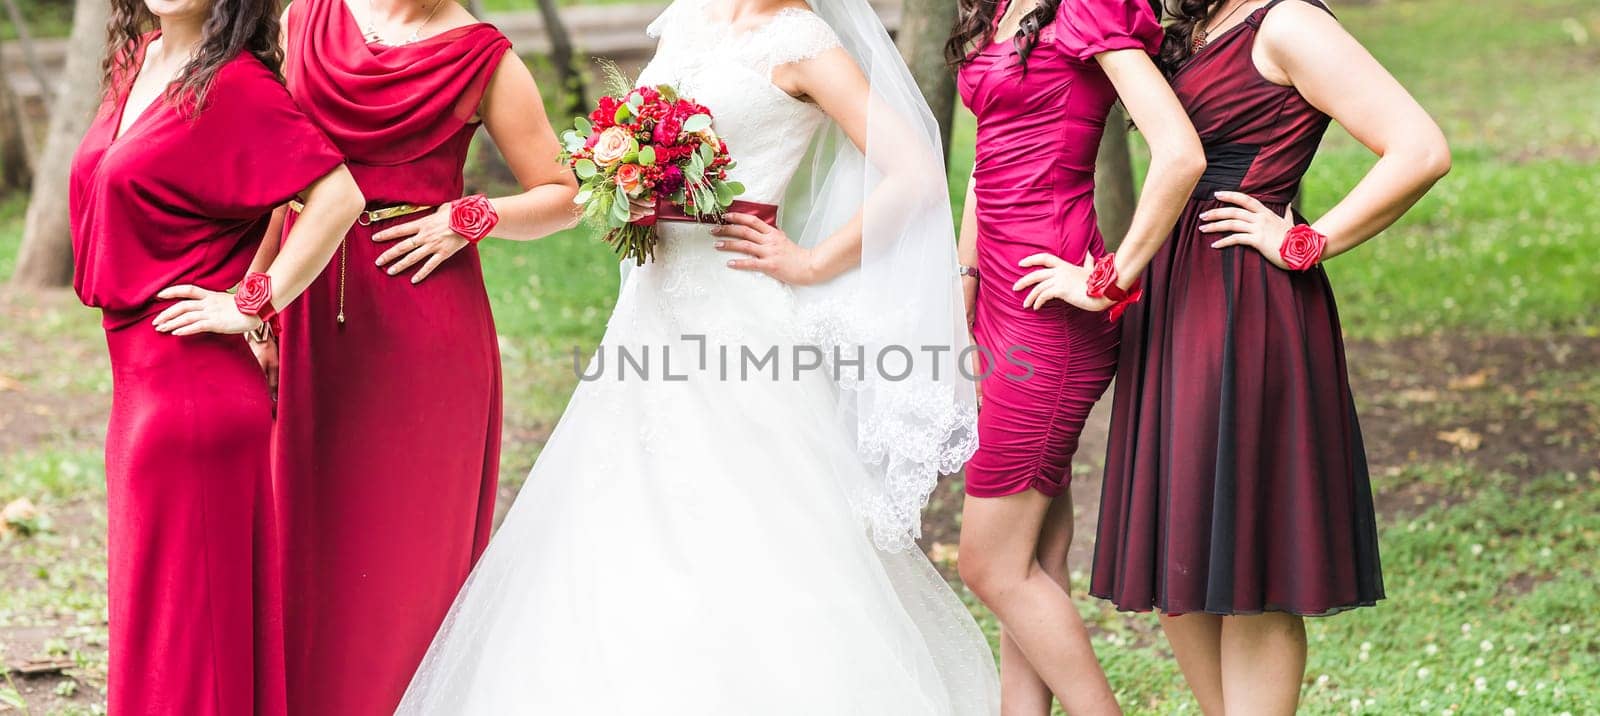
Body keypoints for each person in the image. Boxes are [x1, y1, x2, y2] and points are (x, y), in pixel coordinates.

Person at [395, 0, 1001, 712]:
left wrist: (810, 263)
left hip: (738, 310)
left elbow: (917, 173)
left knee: (753, 520)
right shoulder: (690, 19)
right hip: (651, 308)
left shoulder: (805, 42)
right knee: (613, 512)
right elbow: (634, 137)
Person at [1091, 1, 1450, 713]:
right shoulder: (1190, 25)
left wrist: (1305, 242)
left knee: (1246, 558)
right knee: (1182, 546)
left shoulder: (1286, 24)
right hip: (1171, 297)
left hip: (1243, 306)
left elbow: (1421, 147)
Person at [258, 0, 582, 712]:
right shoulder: (303, 16)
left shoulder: (484, 57)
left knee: (406, 550)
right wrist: (256, 301)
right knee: (297, 528)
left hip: (422, 317)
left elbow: (565, 193)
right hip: (303, 293)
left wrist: (471, 217)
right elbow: (263, 170)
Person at [68, 0, 362, 711]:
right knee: (162, 632)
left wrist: (253, 299)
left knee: (191, 644)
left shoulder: (234, 85)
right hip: (138, 394)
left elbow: (337, 196)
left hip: (192, 399)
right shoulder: (136, 60)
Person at [946, 0, 1204, 712]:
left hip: (1052, 320)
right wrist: (965, 282)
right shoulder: (1000, 10)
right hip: (1000, 302)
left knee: (989, 563)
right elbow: (985, 164)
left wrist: (1109, 277)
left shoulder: (1089, 7)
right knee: (1031, 561)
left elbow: (1180, 153)